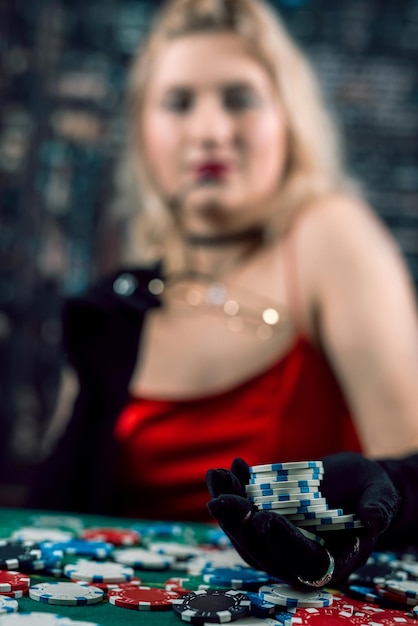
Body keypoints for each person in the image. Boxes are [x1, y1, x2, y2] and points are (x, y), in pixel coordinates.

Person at [26, 0, 418, 586]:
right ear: (142, 131)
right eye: (178, 103)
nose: (210, 132)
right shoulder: (125, 300)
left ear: (287, 119)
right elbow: (53, 521)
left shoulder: (327, 235)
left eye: (239, 99)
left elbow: (410, 477)